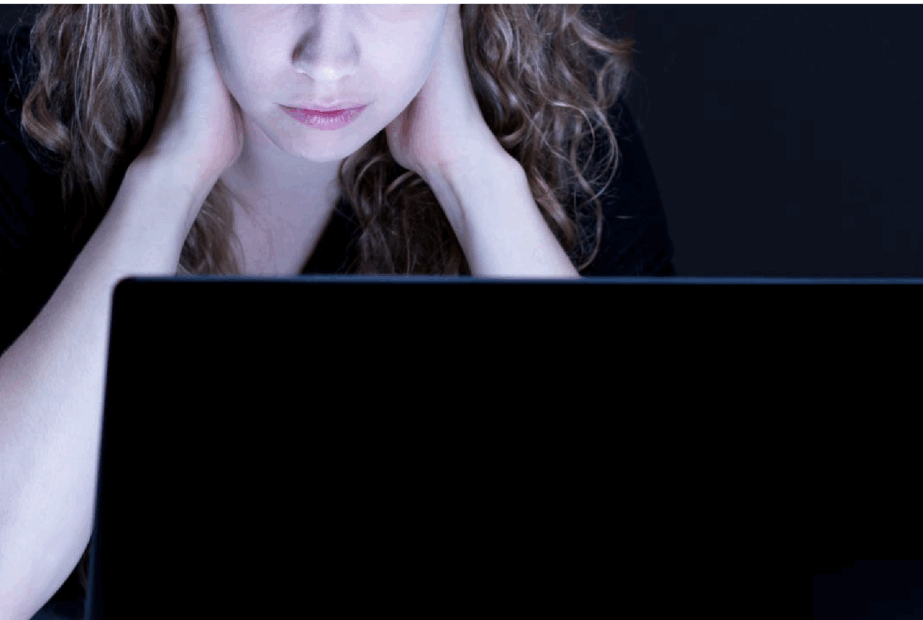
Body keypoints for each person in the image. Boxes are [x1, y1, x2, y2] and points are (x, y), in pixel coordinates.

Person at [0, 5, 676, 620]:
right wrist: (169, 177)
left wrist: (472, 174)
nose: (326, 57)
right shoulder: (27, 102)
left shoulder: (563, 127)